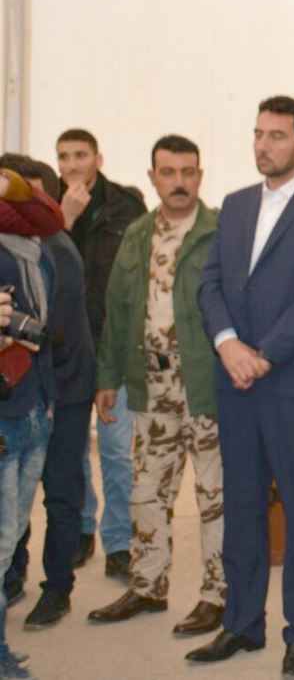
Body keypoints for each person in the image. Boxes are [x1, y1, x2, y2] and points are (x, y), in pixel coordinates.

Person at [190, 96, 294, 675]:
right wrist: (227, 344)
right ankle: (241, 624)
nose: (264, 146)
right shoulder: (236, 204)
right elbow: (211, 284)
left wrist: (263, 355)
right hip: (235, 381)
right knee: (241, 506)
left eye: (277, 136)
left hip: (293, 381)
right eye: (258, 134)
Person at [86, 135, 225, 636]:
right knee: (146, 491)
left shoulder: (219, 232)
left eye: (188, 172)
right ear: (153, 178)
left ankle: (217, 594)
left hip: (205, 384)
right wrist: (107, 378)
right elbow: (117, 309)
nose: (179, 182)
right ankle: (148, 585)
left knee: (214, 496)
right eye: (168, 172)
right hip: (151, 384)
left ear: (200, 176)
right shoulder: (137, 234)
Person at [0, 156, 92, 634]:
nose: (23, 209)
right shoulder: (16, 248)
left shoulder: (56, 250)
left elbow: (49, 332)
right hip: (24, 394)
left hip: (62, 389)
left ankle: (57, 588)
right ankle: (13, 576)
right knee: (12, 507)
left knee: (60, 493)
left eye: (31, 198)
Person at [56, 128, 146, 575]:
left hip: (115, 345)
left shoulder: (127, 204)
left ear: (98, 158)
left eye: (80, 155)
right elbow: (49, 269)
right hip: (69, 349)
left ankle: (119, 541)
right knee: (72, 451)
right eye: (64, 157)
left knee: (115, 451)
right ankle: (81, 528)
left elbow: (140, 275)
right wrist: (64, 221)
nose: (72, 165)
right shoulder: (49, 209)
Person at [0, 167, 57, 678]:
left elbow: (49, 216)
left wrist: (13, 185)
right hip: (6, 412)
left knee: (12, 533)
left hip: (35, 403)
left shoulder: (34, 248)